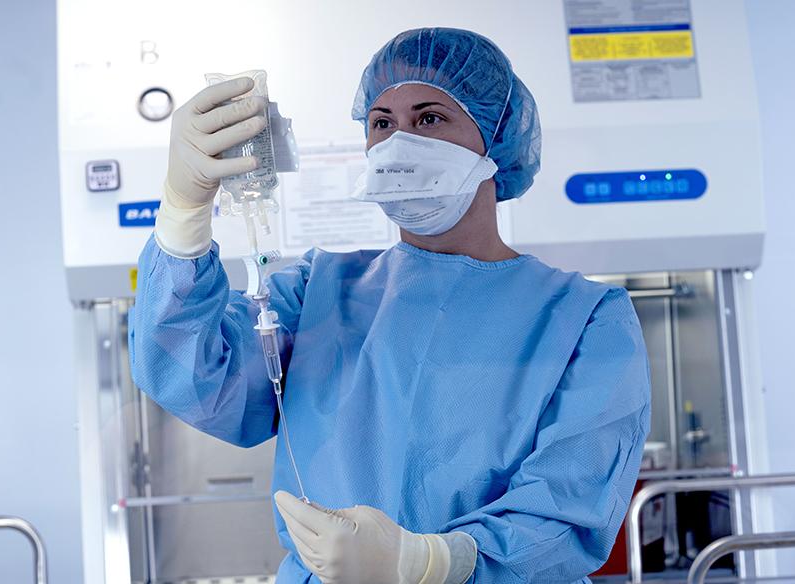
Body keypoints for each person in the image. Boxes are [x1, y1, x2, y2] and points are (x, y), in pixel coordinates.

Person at [130, 27, 651, 584]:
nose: (400, 142)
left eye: (429, 119)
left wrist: (427, 564)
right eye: (382, 123)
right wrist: (182, 218)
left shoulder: (587, 319)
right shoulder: (318, 290)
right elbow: (195, 378)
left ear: (495, 139)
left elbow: (570, 512)